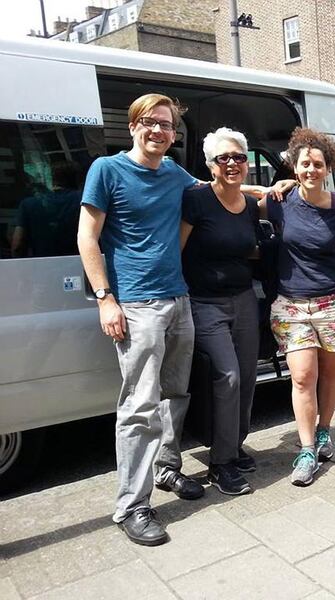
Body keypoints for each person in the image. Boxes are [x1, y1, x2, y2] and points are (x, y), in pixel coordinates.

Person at [78, 93, 204, 547]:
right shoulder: (106, 170)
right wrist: (105, 299)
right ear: (133, 126)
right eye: (150, 123)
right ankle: (132, 505)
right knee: (138, 406)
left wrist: (275, 189)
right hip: (136, 305)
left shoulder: (173, 172)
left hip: (178, 299)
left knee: (175, 396)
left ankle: (167, 469)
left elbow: (214, 191)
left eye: (167, 126)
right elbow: (87, 237)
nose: (158, 132)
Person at [268, 127, 335, 487]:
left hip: (333, 299)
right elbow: (241, 195)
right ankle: (307, 449)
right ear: (295, 167)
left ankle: (325, 430)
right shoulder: (280, 200)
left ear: (328, 169)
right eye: (305, 163)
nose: (311, 170)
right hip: (290, 303)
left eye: (318, 164)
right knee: (303, 375)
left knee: (330, 367)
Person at [180, 127, 260, 496]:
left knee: (245, 376)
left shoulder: (249, 206)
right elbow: (176, 251)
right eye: (223, 158)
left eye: (238, 157)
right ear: (210, 165)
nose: (231, 164)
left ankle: (233, 445)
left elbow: (251, 248)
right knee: (226, 377)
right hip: (205, 303)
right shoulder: (196, 200)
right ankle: (220, 464)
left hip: (243, 299)